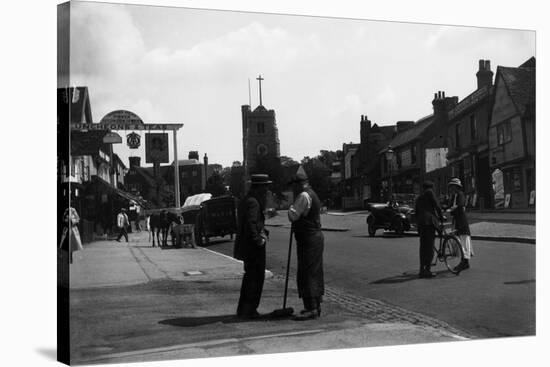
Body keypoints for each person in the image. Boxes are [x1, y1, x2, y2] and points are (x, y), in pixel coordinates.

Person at [288, 168, 325, 320]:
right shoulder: (312, 193)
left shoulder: (303, 196)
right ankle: (316, 305)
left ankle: (311, 308)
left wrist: (291, 207)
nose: (292, 188)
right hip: (315, 236)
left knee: (306, 271)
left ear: (299, 184)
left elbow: (293, 215)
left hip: (308, 237)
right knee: (314, 270)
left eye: (294, 185)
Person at [234, 174, 272, 319]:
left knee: (250, 277)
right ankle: (249, 310)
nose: (266, 190)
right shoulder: (254, 202)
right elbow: (251, 224)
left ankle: (244, 309)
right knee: (255, 278)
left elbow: (251, 223)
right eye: (265, 186)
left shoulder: (246, 200)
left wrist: (263, 230)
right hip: (253, 247)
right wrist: (258, 240)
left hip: (247, 246)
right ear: (259, 188)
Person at [415, 180, 445, 278]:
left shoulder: (419, 198)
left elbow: (416, 213)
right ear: (431, 187)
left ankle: (421, 269)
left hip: (421, 224)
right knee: (430, 247)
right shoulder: (430, 193)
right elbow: (437, 206)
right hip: (429, 223)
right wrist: (441, 217)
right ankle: (427, 270)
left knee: (423, 247)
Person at [448, 178, 473, 271]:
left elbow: (460, 205)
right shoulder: (454, 196)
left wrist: (451, 210)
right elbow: (449, 206)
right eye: (451, 186)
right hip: (457, 221)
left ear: (456, 187)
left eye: (453, 186)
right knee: (459, 240)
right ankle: (464, 261)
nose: (451, 188)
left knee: (464, 240)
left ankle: (465, 261)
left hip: (461, 221)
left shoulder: (460, 194)